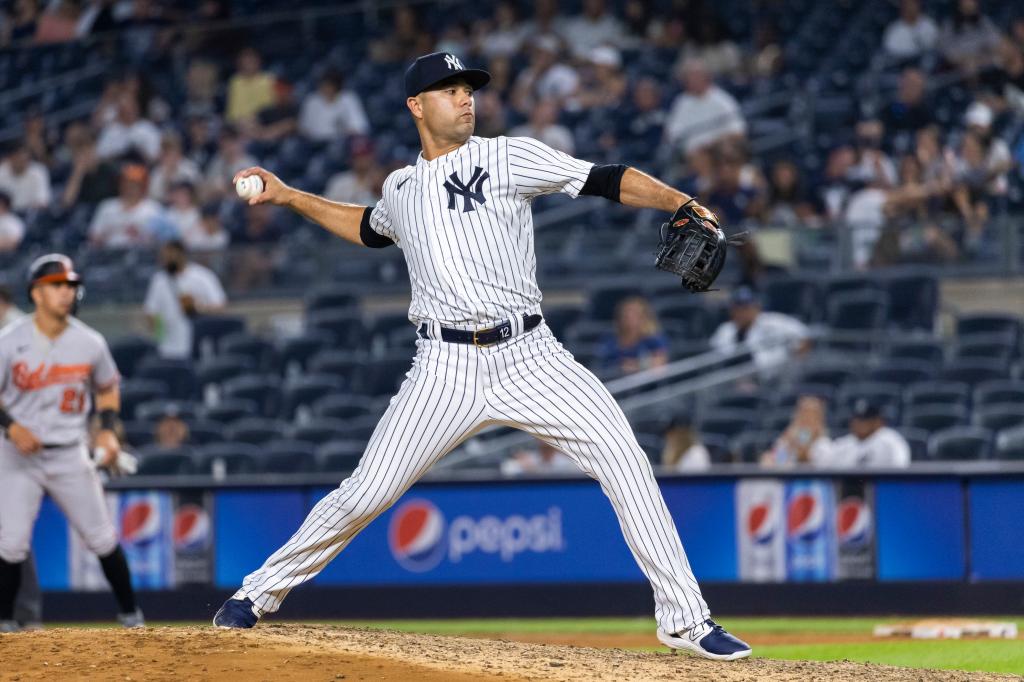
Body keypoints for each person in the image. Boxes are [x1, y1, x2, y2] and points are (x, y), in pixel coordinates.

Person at [215, 51, 751, 661]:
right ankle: (257, 594)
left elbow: (607, 177)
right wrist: (289, 197)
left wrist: (677, 200)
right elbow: (368, 227)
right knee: (366, 492)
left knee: (626, 460)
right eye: (448, 90)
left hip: (530, 356)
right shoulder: (402, 186)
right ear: (417, 106)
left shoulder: (506, 156)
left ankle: (685, 618)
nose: (465, 98)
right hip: (443, 369)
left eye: (468, 88)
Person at [0, 254, 143, 632]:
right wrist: (10, 425)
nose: (67, 292)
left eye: (70, 285)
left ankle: (132, 617)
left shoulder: (89, 342)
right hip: (16, 454)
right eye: (57, 285)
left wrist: (108, 429)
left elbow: (108, 387)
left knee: (102, 537)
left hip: (69, 452)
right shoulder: (9, 341)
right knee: (10, 544)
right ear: (36, 292)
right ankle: (5, 625)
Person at [143, 240, 227, 359]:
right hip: (167, 347)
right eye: (164, 257)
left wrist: (198, 307)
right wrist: (158, 334)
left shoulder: (202, 276)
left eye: (170, 255)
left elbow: (220, 306)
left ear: (181, 254)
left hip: (197, 344)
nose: (166, 260)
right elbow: (151, 311)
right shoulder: (159, 280)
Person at [710, 286, 810, 376]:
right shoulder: (725, 330)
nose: (741, 312)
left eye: (746, 307)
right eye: (737, 307)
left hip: (775, 377)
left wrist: (792, 364)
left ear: (756, 307)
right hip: (734, 380)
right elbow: (719, 359)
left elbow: (804, 335)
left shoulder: (773, 321)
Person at [664, 58, 746, 155]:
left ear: (707, 77)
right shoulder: (681, 102)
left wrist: (712, 142)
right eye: (690, 77)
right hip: (692, 154)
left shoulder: (721, 99)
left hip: (719, 149)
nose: (694, 80)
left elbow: (738, 130)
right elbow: (672, 133)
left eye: (697, 76)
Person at [817, 399, 911, 468]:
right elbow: (824, 463)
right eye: (857, 420)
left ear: (878, 421)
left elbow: (902, 467)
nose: (860, 424)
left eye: (865, 420)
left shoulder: (891, 441)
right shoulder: (845, 443)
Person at [88, 164, 164, 248]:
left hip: (141, 255)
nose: (130, 187)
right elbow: (93, 237)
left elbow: (160, 240)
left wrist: (140, 234)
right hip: (109, 255)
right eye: (126, 183)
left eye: (135, 184)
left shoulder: (153, 209)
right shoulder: (107, 207)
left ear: (143, 186)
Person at [597, 296, 669, 375]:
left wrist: (635, 365)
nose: (628, 318)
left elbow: (659, 366)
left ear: (643, 317)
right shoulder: (610, 341)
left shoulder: (653, 339)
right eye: (625, 314)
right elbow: (604, 367)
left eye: (634, 314)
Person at [298, 70, 370, 144]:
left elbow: (360, 127)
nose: (325, 88)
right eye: (323, 85)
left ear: (336, 86)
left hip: (341, 142)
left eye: (329, 85)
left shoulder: (348, 98)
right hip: (315, 144)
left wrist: (346, 132)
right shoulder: (312, 101)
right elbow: (304, 129)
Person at [760, 396, 831, 467]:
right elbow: (779, 460)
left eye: (811, 415)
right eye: (804, 414)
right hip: (789, 474)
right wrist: (789, 445)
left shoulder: (823, 443)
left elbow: (824, 466)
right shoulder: (789, 436)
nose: (807, 418)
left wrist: (804, 451)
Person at [225, 47, 276, 124]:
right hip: (241, 123)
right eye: (245, 61)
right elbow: (233, 113)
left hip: (266, 120)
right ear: (239, 63)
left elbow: (273, 106)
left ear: (259, 61)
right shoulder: (235, 81)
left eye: (252, 61)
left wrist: (258, 117)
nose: (248, 64)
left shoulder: (270, 79)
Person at [0, 143, 50, 212]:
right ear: (10, 158)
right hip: (7, 214)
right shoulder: (2, 170)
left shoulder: (39, 171)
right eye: (18, 157)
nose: (21, 161)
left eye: (25, 158)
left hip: (30, 213)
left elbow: (43, 202)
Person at [500, 439, 577, 476]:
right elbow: (507, 468)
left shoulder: (567, 462)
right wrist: (524, 466)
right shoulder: (530, 459)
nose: (545, 440)